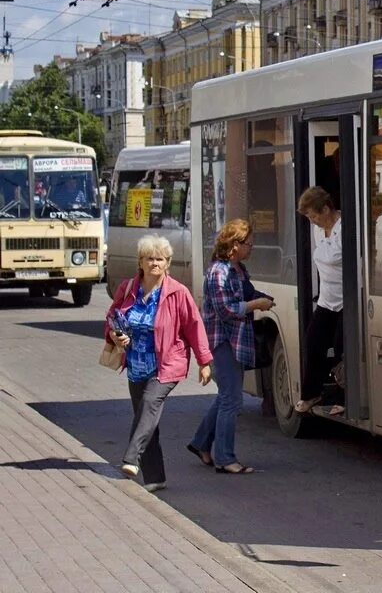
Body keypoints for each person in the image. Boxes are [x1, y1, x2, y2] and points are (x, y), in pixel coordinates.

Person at [104, 234, 213, 493]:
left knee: (150, 405)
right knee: (146, 417)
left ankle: (131, 457)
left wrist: (204, 361)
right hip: (136, 364)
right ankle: (155, 478)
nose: (155, 263)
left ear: (168, 264)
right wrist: (115, 334)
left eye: (160, 259)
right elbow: (112, 316)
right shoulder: (128, 289)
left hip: (167, 364)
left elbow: (194, 327)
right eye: (149, 259)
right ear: (140, 262)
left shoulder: (178, 293)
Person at [189, 219, 275, 475]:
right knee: (231, 400)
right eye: (248, 244)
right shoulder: (219, 272)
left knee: (228, 396)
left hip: (235, 341)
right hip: (222, 341)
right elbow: (225, 310)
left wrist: (261, 299)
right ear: (234, 245)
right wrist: (254, 305)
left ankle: (201, 443)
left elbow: (245, 293)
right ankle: (225, 459)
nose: (251, 248)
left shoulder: (238, 269)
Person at [295, 186, 344, 415]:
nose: (312, 221)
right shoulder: (318, 231)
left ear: (326, 209)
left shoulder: (344, 228)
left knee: (344, 348)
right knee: (313, 343)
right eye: (308, 218)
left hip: (347, 300)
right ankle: (312, 393)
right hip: (326, 299)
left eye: (313, 216)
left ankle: (345, 397)